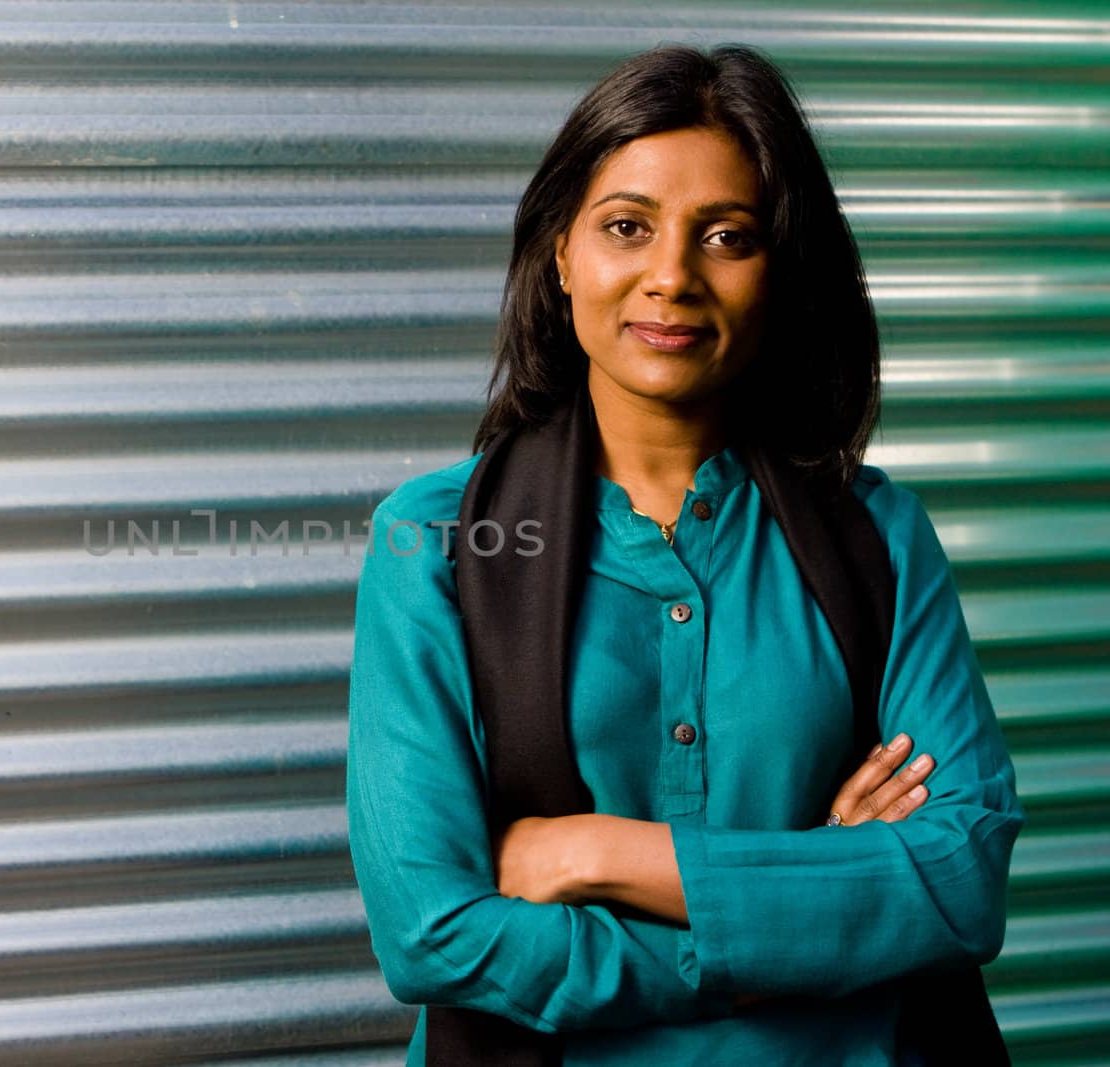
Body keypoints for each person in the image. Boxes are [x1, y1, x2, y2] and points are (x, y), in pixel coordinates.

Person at [344, 43, 1024, 1065]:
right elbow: (433, 935)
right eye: (627, 226)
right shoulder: (433, 542)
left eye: (727, 236)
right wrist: (812, 900)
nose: (671, 275)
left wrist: (594, 852)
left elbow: (960, 881)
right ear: (563, 251)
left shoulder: (877, 535)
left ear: (778, 271)